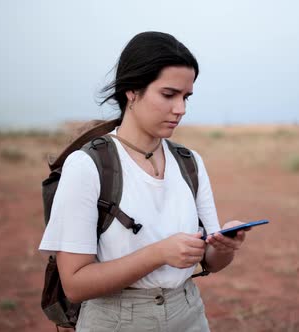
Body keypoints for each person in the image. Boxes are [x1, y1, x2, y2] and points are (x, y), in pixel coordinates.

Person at [39, 31, 250, 332]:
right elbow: (75, 284)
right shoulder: (88, 165)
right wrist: (158, 253)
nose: (181, 109)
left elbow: (210, 261)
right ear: (131, 91)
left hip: (189, 313)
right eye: (168, 95)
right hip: (115, 320)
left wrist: (225, 246)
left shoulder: (190, 162)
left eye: (186, 96)